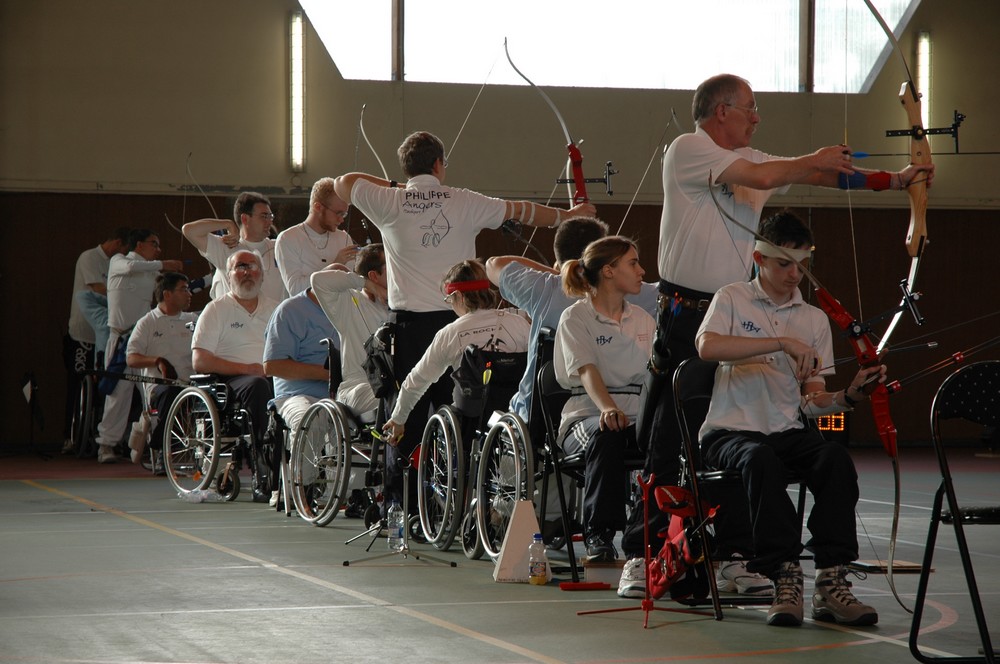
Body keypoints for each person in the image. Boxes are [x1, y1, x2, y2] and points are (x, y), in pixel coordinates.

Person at [618, 72, 936, 597]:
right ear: (721, 111)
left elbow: (823, 175)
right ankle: (643, 551)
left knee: (743, 435)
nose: (757, 116)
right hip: (687, 314)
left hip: (739, 311)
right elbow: (775, 172)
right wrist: (814, 157)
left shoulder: (752, 160)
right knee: (671, 437)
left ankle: (732, 554)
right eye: (750, 107)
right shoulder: (689, 150)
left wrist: (897, 181)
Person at [334, 130, 595, 507]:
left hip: (411, 327)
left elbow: (343, 183)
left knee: (407, 415)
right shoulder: (463, 200)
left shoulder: (389, 200)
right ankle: (466, 499)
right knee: (463, 415)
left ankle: (402, 506)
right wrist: (567, 217)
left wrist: (399, 186)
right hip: (462, 322)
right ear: (439, 164)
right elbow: (520, 210)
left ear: (407, 168)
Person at [695, 210, 885, 627]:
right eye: (784, 263)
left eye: (802, 264)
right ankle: (784, 574)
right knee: (759, 458)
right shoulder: (732, 297)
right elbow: (707, 347)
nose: (795, 274)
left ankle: (831, 579)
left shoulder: (813, 319)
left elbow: (812, 399)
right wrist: (781, 342)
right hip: (729, 433)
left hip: (786, 431)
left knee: (833, 459)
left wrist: (850, 395)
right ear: (759, 259)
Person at [381, 259, 531, 510]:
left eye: (449, 300)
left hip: (474, 419)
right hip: (518, 416)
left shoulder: (451, 333)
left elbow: (416, 381)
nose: (450, 305)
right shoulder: (519, 323)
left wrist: (398, 419)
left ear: (459, 296)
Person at [485, 217, 658, 424]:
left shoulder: (545, 287)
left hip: (540, 413)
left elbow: (493, 264)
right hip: (614, 411)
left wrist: (561, 274)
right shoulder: (640, 293)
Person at [553, 236, 654, 562]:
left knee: (668, 438)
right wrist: (608, 407)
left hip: (636, 415)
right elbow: (586, 370)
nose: (641, 271)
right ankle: (600, 535)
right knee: (606, 432)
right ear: (609, 271)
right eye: (633, 263)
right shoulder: (575, 318)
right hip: (585, 415)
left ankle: (653, 531)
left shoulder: (644, 319)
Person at [192, 250, 278, 501]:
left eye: (253, 266)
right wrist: (248, 368)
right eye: (240, 266)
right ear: (228, 275)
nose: (247, 272)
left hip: (272, 376)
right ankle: (264, 471)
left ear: (262, 275)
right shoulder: (216, 310)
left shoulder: (276, 309)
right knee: (258, 385)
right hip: (231, 381)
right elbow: (200, 361)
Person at [94, 229, 184, 463]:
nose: (158, 249)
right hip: (121, 340)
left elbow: (173, 294)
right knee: (118, 395)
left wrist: (209, 278)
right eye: (154, 244)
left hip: (145, 340)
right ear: (139, 245)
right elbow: (131, 267)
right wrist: (163, 264)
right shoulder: (119, 261)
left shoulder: (152, 272)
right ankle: (106, 445)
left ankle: (156, 447)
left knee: (152, 395)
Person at [263, 279, 339, 505]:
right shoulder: (290, 311)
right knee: (311, 418)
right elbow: (272, 366)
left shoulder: (352, 307)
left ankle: (350, 492)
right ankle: (301, 487)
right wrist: (328, 374)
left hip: (344, 391)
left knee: (375, 418)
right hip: (297, 394)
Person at [62, 227, 130, 454]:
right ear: (118, 243)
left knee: (104, 384)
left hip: (105, 333)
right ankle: (70, 436)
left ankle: (100, 432)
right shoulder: (90, 257)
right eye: (124, 249)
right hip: (83, 333)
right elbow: (97, 288)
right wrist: (125, 294)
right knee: (77, 383)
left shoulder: (113, 262)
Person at [125, 272, 197, 465]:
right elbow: (131, 358)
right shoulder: (148, 322)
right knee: (171, 393)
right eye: (183, 289)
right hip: (160, 387)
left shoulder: (192, 320)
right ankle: (162, 449)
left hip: (192, 384)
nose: (189, 294)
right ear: (167, 294)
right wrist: (158, 361)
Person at [311, 244, 391, 417]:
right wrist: (370, 286)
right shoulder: (348, 301)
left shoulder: (401, 304)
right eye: (390, 266)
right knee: (395, 399)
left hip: (396, 383)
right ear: (373, 275)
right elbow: (318, 280)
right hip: (358, 387)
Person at [182, 191, 286, 302]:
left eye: (270, 216)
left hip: (275, 312)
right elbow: (189, 231)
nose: (269, 222)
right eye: (264, 216)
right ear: (245, 219)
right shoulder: (228, 247)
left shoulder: (279, 246)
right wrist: (228, 224)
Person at [275, 177, 358, 296]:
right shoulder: (288, 238)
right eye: (338, 213)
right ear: (318, 207)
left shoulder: (344, 238)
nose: (341, 220)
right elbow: (296, 289)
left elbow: (351, 287)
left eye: (344, 214)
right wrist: (335, 265)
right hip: (305, 307)